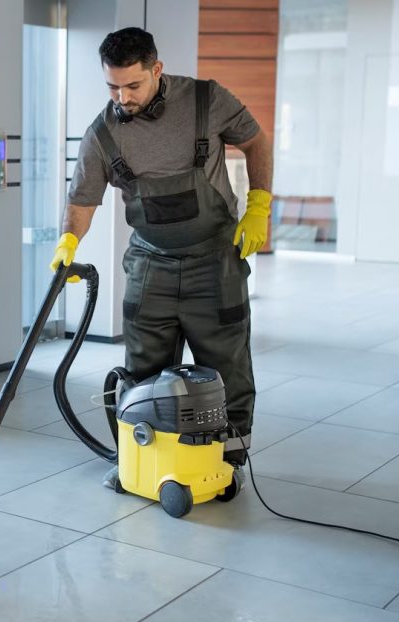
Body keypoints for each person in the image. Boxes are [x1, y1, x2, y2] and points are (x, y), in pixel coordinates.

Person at [52, 27, 273, 489]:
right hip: (150, 263)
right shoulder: (102, 132)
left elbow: (255, 141)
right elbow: (83, 200)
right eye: (112, 86)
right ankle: (141, 459)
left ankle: (226, 463)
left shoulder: (205, 101)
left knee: (226, 364)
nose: (122, 97)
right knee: (143, 369)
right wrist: (68, 243)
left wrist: (259, 205)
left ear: (157, 69)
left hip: (215, 260)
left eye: (133, 85)